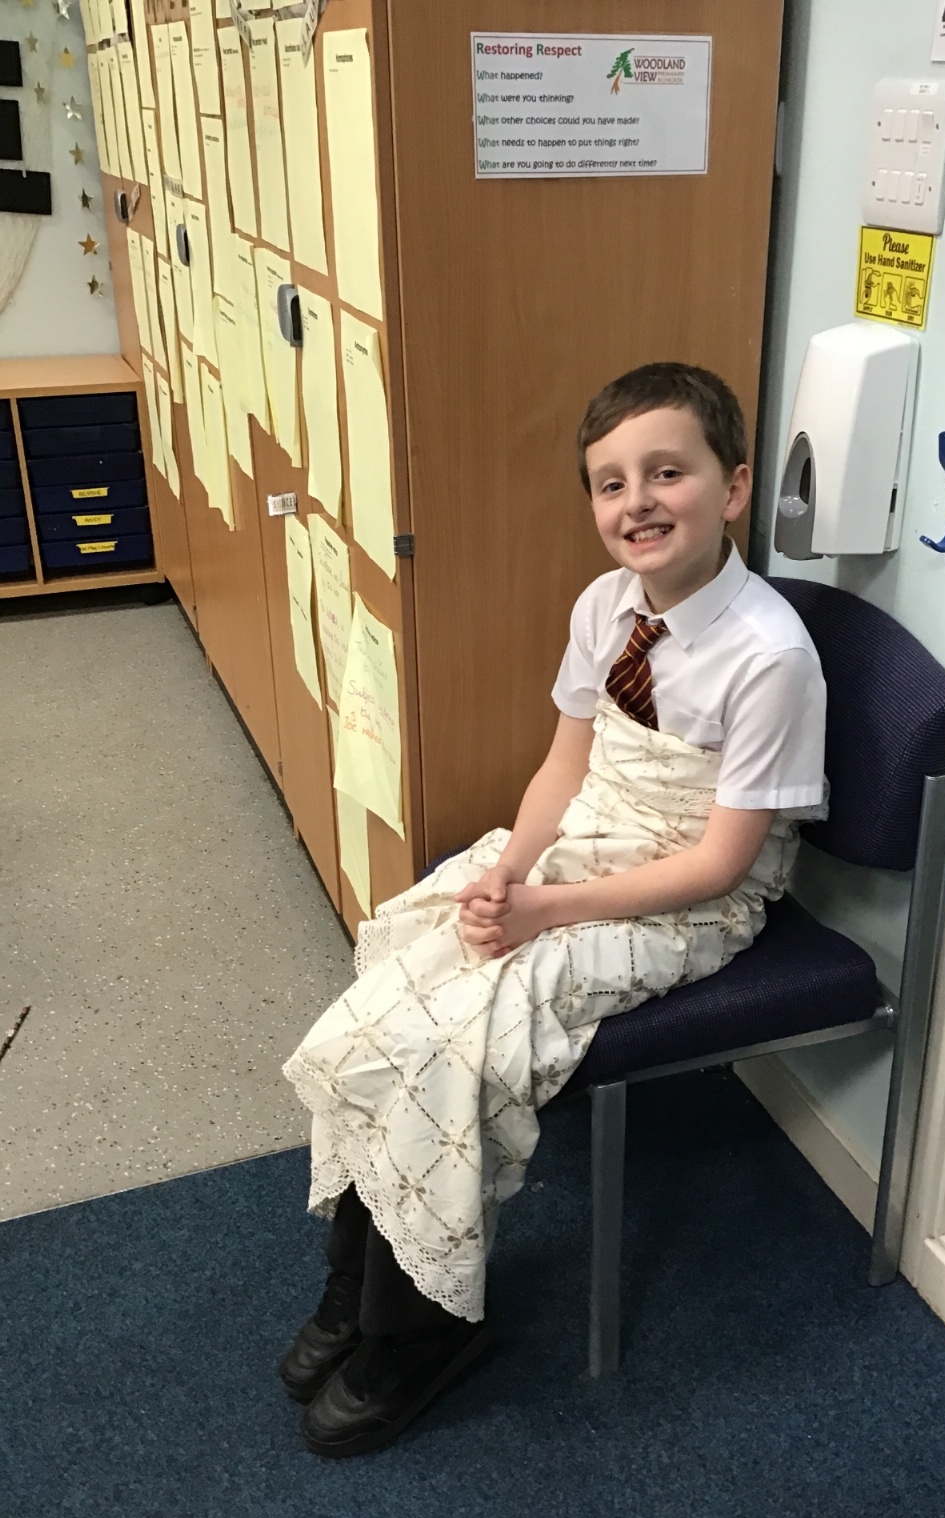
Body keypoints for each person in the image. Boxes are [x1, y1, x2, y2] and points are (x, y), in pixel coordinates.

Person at [277, 363, 828, 1458]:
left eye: (667, 473)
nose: (638, 502)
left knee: (457, 1040)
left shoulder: (770, 657)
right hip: (585, 841)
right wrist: (508, 875)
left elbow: (721, 867)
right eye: (611, 483)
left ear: (731, 487)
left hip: (687, 896)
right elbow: (566, 763)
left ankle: (421, 1329)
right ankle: (357, 1274)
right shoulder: (604, 605)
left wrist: (547, 912)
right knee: (389, 994)